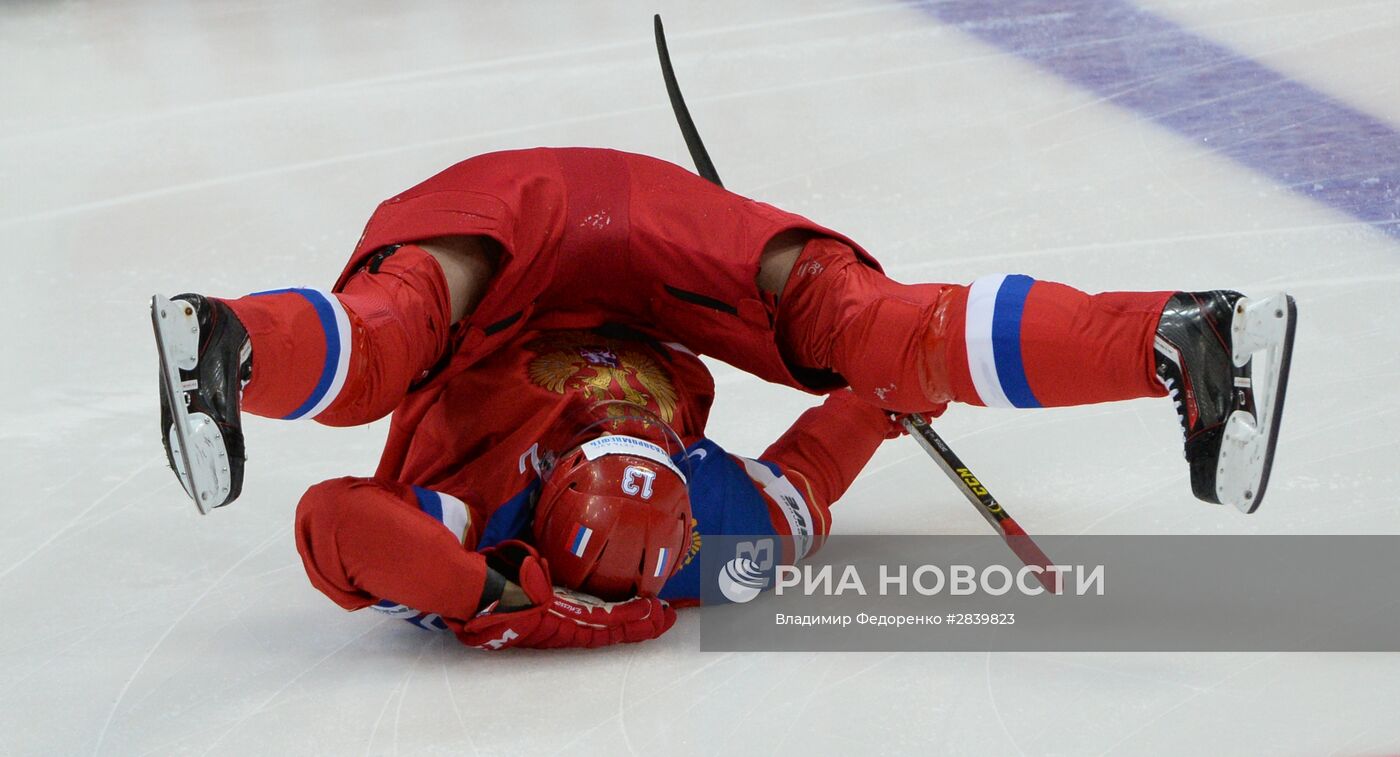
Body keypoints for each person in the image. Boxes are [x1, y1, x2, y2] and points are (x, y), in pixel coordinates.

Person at [151, 147, 1296, 646]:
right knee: (875, 335)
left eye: (599, 433)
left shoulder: (478, 519)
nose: (615, 416)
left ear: (543, 488)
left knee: (388, 341)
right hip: (649, 239)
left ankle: (229, 343)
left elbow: (335, 524)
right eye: (631, 433)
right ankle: (1176, 334)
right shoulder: (716, 535)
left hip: (511, 234)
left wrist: (491, 599)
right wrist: (882, 398)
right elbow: (812, 471)